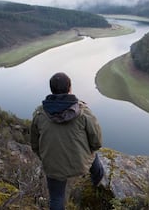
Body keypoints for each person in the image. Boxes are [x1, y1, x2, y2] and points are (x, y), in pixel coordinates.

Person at [30, 72, 104, 210]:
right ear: (70, 88)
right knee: (94, 156)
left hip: (53, 166)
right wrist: (90, 149)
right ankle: (97, 182)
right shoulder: (83, 112)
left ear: (51, 90)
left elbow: (34, 144)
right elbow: (97, 142)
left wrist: (46, 156)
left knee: (56, 198)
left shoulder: (40, 114)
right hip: (80, 164)